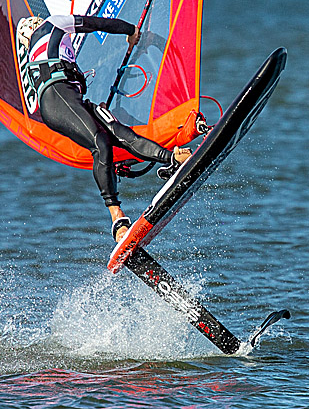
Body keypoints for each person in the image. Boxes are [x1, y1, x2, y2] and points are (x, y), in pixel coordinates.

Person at [16, 14, 191, 244]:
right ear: (33, 29)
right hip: (57, 98)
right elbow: (93, 23)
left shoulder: (45, 47)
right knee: (101, 143)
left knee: (121, 133)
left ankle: (173, 158)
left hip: (72, 98)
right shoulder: (52, 24)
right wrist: (131, 30)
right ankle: (117, 218)